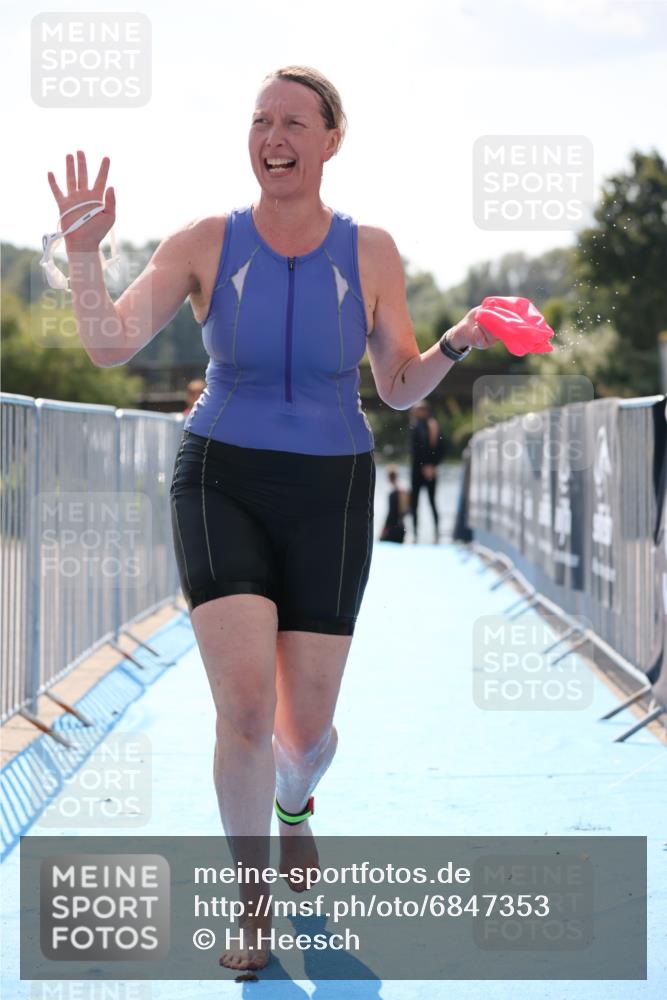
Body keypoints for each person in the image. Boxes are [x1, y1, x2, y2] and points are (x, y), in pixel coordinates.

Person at [46, 65, 497, 971]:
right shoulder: (205, 240)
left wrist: (458, 337)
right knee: (246, 710)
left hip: (331, 487)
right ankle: (250, 907)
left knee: (305, 731)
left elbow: (400, 386)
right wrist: (88, 255)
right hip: (221, 476)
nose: (272, 136)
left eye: (293, 121)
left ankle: (296, 802)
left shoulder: (371, 251)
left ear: (332, 139)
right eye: (259, 120)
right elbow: (107, 343)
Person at [409, 399, 446, 543]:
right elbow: (414, 451)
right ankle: (414, 534)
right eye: (417, 410)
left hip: (431, 471)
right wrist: (423, 466)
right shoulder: (414, 427)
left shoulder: (433, 426)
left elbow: (442, 448)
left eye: (422, 409)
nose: (419, 412)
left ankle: (437, 533)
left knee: (432, 501)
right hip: (416, 471)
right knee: (414, 503)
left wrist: (432, 465)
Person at [379, 464, 409, 543]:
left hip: (393, 529)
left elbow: (391, 514)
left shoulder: (393, 494)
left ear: (389, 478)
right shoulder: (404, 492)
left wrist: (384, 530)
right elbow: (406, 512)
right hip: (402, 528)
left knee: (381, 541)